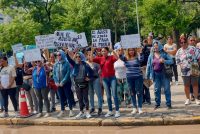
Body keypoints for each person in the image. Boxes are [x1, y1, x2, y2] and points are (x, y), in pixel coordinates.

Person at [91, 45, 120, 118]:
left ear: (107, 51)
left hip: (112, 78)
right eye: (102, 51)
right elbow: (91, 59)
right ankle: (110, 111)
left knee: (114, 95)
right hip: (104, 79)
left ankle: (117, 111)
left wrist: (112, 50)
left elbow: (117, 57)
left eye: (105, 51)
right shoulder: (100, 59)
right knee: (108, 96)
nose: (103, 52)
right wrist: (92, 50)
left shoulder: (111, 57)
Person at [66, 50, 93, 119]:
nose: (78, 58)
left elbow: (92, 73)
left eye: (79, 56)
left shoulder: (86, 64)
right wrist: (67, 52)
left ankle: (87, 112)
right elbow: (69, 59)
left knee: (85, 99)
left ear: (81, 57)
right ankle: (81, 111)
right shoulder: (74, 64)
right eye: (77, 57)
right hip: (77, 84)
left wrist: (89, 78)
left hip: (85, 84)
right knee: (80, 99)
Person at [146, 42, 173, 110]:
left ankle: (168, 104)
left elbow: (171, 61)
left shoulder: (164, 54)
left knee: (167, 89)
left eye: (157, 46)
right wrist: (147, 75)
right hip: (155, 74)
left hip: (164, 74)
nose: (155, 47)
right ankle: (157, 104)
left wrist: (164, 61)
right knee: (156, 90)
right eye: (154, 46)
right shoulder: (151, 55)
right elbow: (148, 66)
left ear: (160, 46)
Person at [176, 37, 200, 105]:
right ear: (180, 43)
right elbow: (177, 60)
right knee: (186, 85)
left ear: (187, 42)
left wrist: (197, 64)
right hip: (185, 69)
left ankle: (196, 99)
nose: (183, 44)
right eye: (181, 43)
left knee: (195, 84)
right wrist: (181, 65)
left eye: (184, 42)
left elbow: (198, 57)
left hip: (194, 67)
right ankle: (187, 99)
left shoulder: (192, 48)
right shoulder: (179, 51)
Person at [53, 50, 74, 118]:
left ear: (62, 55)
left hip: (66, 83)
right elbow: (54, 74)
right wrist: (56, 82)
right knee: (61, 97)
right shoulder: (55, 64)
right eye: (57, 55)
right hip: (58, 84)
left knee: (68, 96)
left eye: (59, 55)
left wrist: (63, 82)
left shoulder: (66, 63)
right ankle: (62, 110)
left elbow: (68, 73)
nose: (58, 56)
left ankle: (71, 110)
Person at [122, 48, 144, 114]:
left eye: (132, 50)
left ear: (134, 50)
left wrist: (140, 52)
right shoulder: (125, 58)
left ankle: (140, 108)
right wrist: (113, 50)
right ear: (127, 51)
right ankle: (134, 108)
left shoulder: (137, 57)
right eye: (129, 50)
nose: (131, 51)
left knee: (139, 92)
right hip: (129, 77)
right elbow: (119, 56)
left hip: (138, 77)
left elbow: (142, 60)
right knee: (132, 92)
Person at [86, 51, 103, 115]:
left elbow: (100, 71)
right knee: (90, 95)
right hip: (88, 80)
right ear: (87, 56)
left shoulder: (96, 63)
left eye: (91, 55)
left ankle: (100, 108)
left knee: (99, 94)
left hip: (96, 79)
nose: (90, 56)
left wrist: (101, 78)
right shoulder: (85, 63)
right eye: (89, 55)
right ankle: (92, 107)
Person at [141, 37, 153, 105]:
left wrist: (146, 66)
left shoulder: (147, 52)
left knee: (146, 86)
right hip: (139, 71)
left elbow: (149, 60)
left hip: (145, 70)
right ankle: (142, 100)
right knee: (141, 86)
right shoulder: (137, 54)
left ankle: (148, 100)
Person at [188, 36, 197, 101]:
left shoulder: (197, 48)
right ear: (188, 41)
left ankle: (197, 94)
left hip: (196, 65)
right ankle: (191, 94)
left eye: (193, 40)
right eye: (191, 40)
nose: (192, 41)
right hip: (189, 66)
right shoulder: (187, 48)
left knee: (196, 81)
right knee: (190, 81)